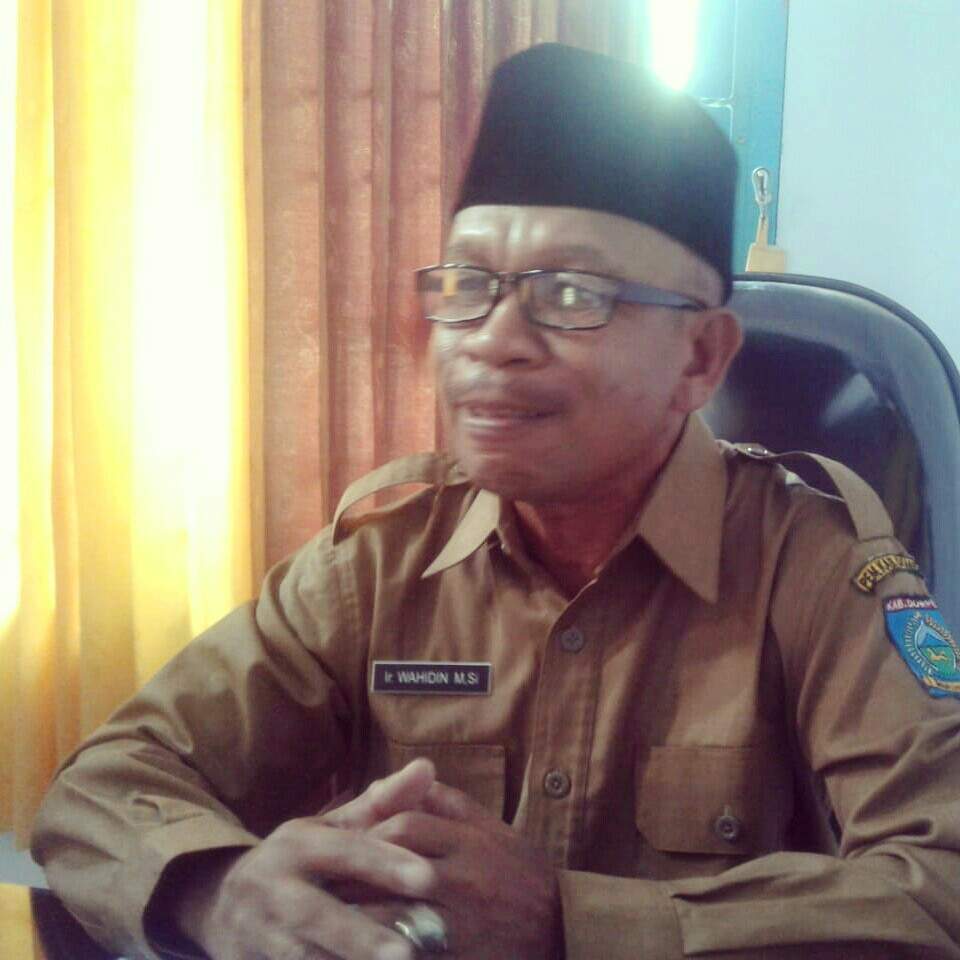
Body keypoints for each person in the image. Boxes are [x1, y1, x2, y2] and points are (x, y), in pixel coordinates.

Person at [31, 42, 960, 960]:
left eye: (574, 293)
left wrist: (570, 924)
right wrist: (216, 890)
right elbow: (106, 784)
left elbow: (943, 886)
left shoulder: (814, 566)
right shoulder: (380, 562)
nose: (493, 339)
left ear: (701, 358)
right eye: (468, 285)